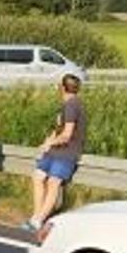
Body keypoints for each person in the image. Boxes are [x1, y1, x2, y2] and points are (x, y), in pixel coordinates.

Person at [29, 74, 87, 232]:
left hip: (67, 152)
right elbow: (59, 129)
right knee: (38, 176)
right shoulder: (67, 104)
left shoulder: (72, 106)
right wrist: (48, 141)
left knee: (53, 182)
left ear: (62, 87)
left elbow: (67, 135)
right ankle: (36, 216)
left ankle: (39, 220)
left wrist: (50, 143)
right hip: (55, 150)